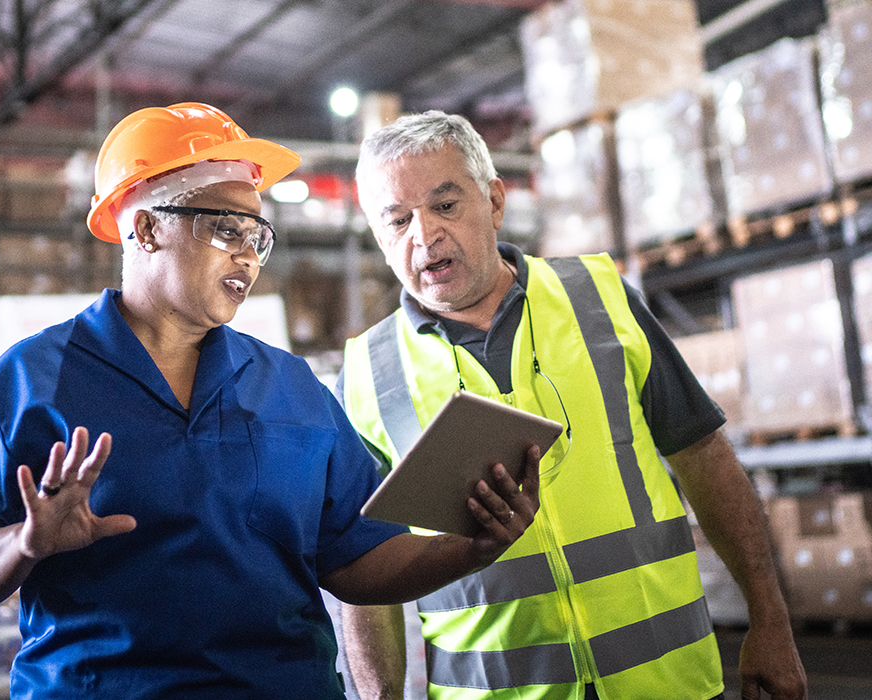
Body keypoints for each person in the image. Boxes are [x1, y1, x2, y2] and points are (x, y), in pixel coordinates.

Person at [0, 102, 543, 700]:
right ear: (147, 229)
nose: (249, 255)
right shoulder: (25, 387)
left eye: (258, 236)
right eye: (226, 229)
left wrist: (474, 548)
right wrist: (24, 543)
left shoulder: (291, 390)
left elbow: (359, 559)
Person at [335, 111, 808, 700]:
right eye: (397, 220)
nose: (423, 236)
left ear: (495, 201)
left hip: (663, 682)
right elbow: (357, 559)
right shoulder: (365, 372)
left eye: (446, 206)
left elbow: (704, 455)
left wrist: (770, 618)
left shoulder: (599, 299)